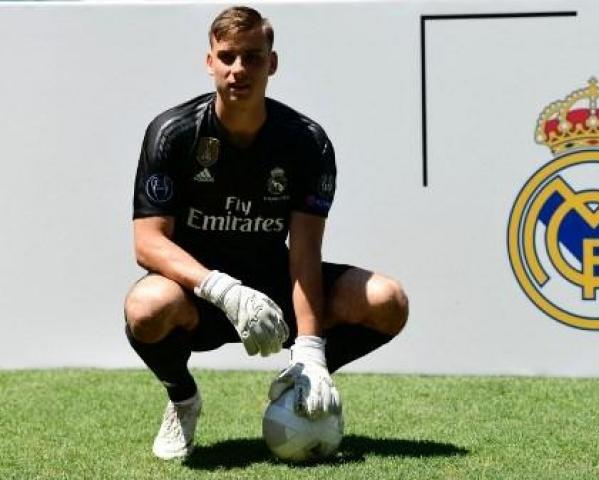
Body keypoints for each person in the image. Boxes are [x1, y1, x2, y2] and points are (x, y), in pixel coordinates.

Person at [124, 5, 409, 460]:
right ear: (210, 61)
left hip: (276, 288)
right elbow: (148, 242)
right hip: (201, 294)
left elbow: (305, 253)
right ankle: (182, 399)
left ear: (271, 63)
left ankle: (299, 380)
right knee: (145, 307)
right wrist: (222, 289)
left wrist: (312, 350)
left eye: (253, 57)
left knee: (387, 301)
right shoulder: (172, 133)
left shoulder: (305, 141)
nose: (239, 69)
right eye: (228, 56)